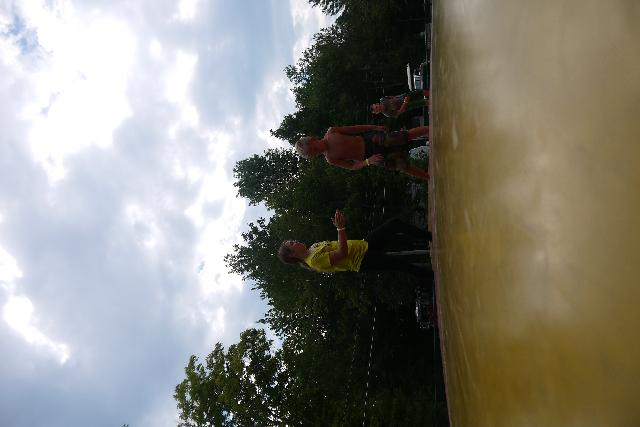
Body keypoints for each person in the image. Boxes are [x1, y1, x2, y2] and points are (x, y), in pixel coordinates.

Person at [278, 209, 433, 279]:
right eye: (292, 243)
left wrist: (339, 225)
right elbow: (342, 253)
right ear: (292, 254)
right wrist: (340, 228)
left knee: (394, 224)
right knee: (402, 265)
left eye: (293, 240)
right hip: (362, 261)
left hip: (365, 245)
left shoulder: (313, 247)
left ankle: (431, 237)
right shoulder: (314, 261)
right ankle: (433, 277)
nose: (295, 241)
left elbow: (340, 243)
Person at [295, 125, 430, 180]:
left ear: (312, 139)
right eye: (314, 154)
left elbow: (355, 129)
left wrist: (374, 127)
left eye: (314, 148)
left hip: (371, 140)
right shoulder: (331, 158)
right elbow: (352, 166)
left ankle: (430, 129)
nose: (317, 151)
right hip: (369, 156)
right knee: (402, 166)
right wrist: (368, 161)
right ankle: (429, 177)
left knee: (402, 136)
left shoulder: (332, 132)